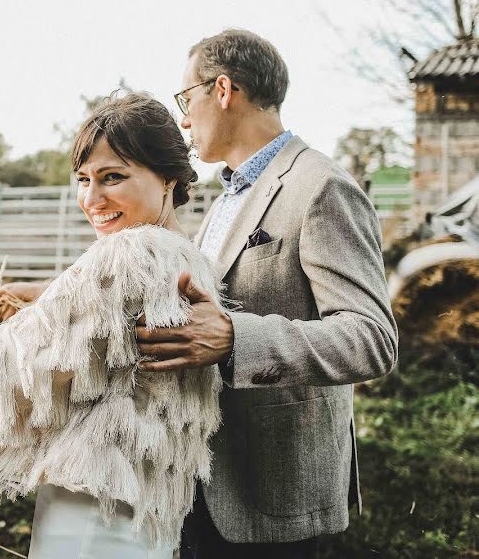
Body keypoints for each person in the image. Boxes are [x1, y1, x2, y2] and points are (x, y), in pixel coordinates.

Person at [0, 93, 223, 557]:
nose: (92, 199)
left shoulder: (128, 254)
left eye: (113, 177)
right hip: (145, 510)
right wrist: (53, 296)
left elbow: (22, 358)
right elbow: (94, 336)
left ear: (168, 178)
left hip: (95, 514)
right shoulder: (186, 256)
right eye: (83, 179)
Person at [133, 29, 398, 558]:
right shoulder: (226, 194)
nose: (183, 118)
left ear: (223, 90)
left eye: (186, 99)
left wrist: (235, 339)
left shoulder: (320, 187)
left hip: (277, 494)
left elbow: (372, 339)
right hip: (205, 480)